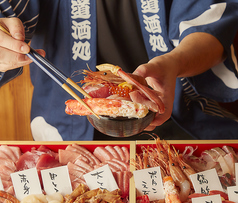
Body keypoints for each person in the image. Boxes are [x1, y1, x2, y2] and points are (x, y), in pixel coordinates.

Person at [0, 0, 238, 141]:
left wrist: (175, 62)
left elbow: (211, 21)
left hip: (184, 119)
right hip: (66, 133)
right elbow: (8, 13)